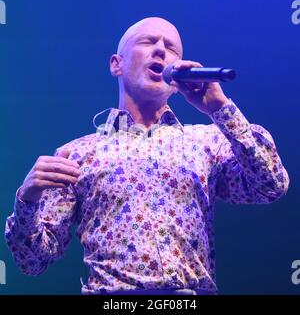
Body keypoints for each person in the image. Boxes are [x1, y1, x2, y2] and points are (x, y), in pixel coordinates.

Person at [5, 17, 289, 295]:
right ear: (117, 64)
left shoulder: (207, 142)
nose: (160, 50)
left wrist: (220, 108)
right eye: (147, 42)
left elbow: (269, 185)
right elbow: (33, 261)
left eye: (171, 48)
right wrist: (27, 200)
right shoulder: (78, 153)